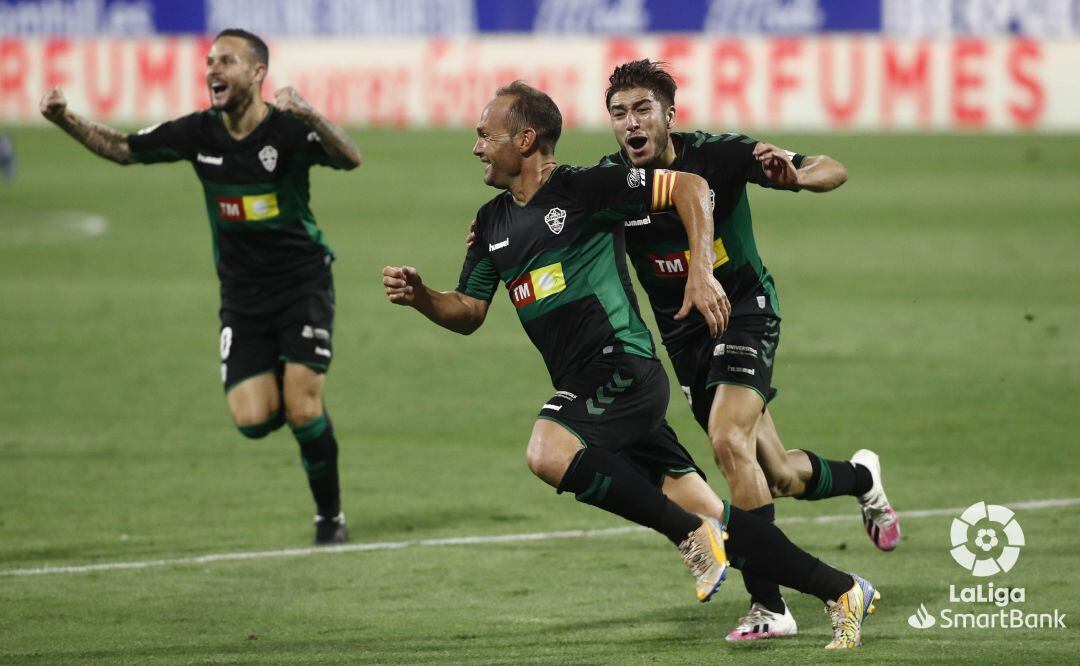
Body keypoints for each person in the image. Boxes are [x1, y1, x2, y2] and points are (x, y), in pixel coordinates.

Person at [384, 81, 879, 650]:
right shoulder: (492, 222)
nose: (474, 146)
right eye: (617, 112)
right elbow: (469, 310)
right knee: (721, 516)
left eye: (483, 134)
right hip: (591, 386)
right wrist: (423, 296)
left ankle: (690, 537)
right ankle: (842, 589)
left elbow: (691, 185)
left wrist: (699, 269)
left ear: (524, 139)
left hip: (622, 367)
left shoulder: (587, 187)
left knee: (547, 450)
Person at [598, 59, 900, 640]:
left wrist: (797, 176)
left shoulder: (720, 156)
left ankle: (770, 605)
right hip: (685, 338)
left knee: (726, 438)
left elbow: (829, 168)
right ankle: (862, 479)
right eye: (618, 113)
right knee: (779, 473)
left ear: (669, 115)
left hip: (744, 314)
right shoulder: (614, 184)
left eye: (642, 109)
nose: (630, 122)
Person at [39, 28, 362, 545]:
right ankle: (289, 379)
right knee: (253, 419)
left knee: (303, 408)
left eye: (226, 61)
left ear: (257, 74)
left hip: (302, 283)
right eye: (210, 60)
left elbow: (350, 157)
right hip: (241, 295)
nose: (213, 69)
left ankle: (330, 517)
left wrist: (309, 113)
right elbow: (124, 148)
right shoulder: (198, 132)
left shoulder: (286, 132)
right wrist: (64, 119)